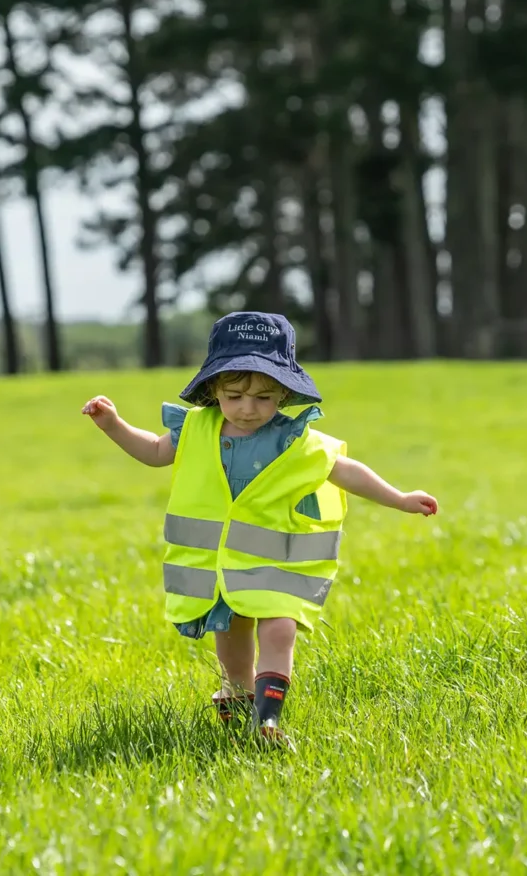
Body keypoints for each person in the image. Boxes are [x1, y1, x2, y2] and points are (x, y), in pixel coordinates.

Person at [82, 311, 438, 745]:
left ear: (284, 394)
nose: (248, 409)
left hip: (276, 558)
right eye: (235, 396)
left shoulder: (294, 438)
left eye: (264, 398)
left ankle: (268, 719)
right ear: (213, 390)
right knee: (230, 633)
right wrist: (113, 425)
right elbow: (155, 452)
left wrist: (399, 498)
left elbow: (344, 471)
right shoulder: (195, 428)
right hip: (219, 563)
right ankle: (238, 693)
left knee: (279, 628)